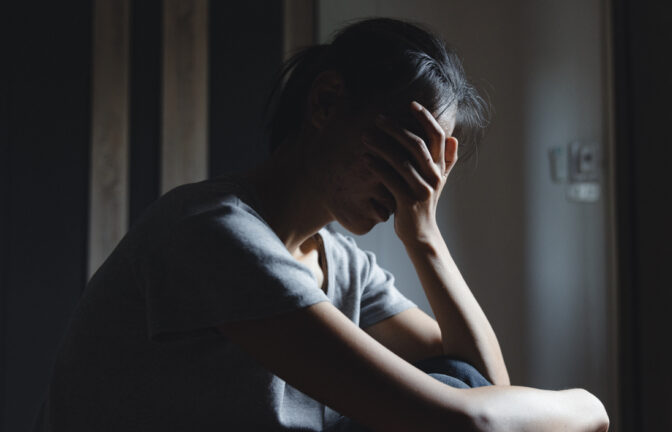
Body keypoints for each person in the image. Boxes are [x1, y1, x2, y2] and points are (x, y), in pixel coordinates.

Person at [37, 18, 609, 432]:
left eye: (432, 167)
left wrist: (425, 236)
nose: (416, 185)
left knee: (454, 376)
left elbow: (480, 383)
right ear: (327, 103)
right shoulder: (211, 234)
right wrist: (588, 405)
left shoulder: (342, 264)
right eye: (405, 154)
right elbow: (466, 422)